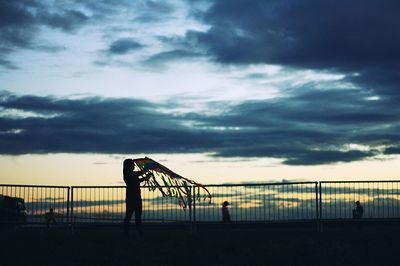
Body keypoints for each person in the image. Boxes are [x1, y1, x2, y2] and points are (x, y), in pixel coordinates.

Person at [123, 159, 150, 237]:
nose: (134, 166)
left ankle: (134, 232)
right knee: (131, 216)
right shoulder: (129, 174)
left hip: (134, 197)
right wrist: (146, 170)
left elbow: (137, 179)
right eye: (132, 164)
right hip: (133, 197)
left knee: (133, 216)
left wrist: (145, 177)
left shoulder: (128, 174)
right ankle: (136, 233)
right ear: (128, 166)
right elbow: (138, 176)